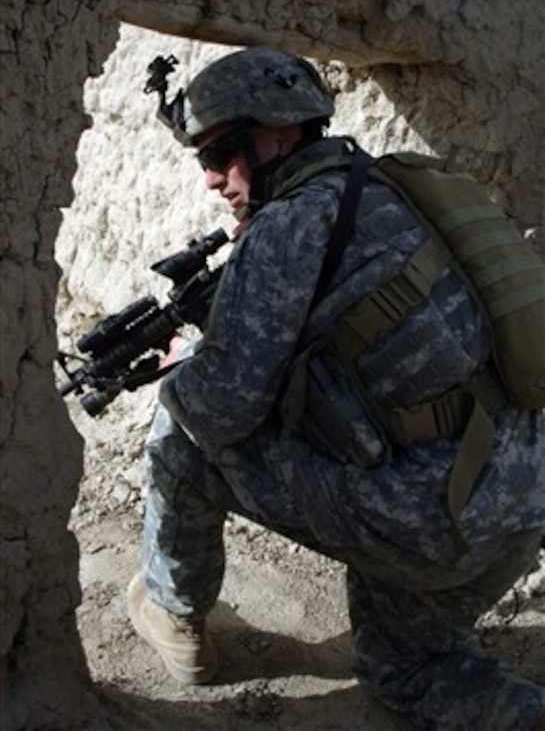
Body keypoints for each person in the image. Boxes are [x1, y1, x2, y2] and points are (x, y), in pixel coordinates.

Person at [127, 47, 545, 729]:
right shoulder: (389, 190)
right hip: (518, 504)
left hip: (429, 523)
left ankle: (174, 622)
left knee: (181, 431)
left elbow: (221, 407)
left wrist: (185, 366)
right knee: (405, 666)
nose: (210, 179)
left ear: (281, 134)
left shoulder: (289, 225)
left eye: (221, 152)